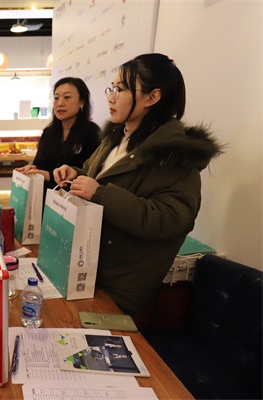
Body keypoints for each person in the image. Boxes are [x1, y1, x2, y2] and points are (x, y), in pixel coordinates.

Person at [53, 53, 223, 316]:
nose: (111, 97)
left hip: (119, 289)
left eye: (120, 89)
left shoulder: (174, 154)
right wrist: (74, 174)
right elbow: (95, 174)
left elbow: (169, 219)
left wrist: (101, 194)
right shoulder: (116, 137)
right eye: (111, 88)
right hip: (86, 269)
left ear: (152, 97)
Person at [15, 77, 100, 200]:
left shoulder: (92, 133)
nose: (60, 103)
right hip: (45, 200)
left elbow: (90, 175)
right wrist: (33, 169)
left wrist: (48, 175)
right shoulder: (49, 132)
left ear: (82, 102)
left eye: (67, 97)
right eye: (56, 98)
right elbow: (39, 164)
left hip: (72, 202)